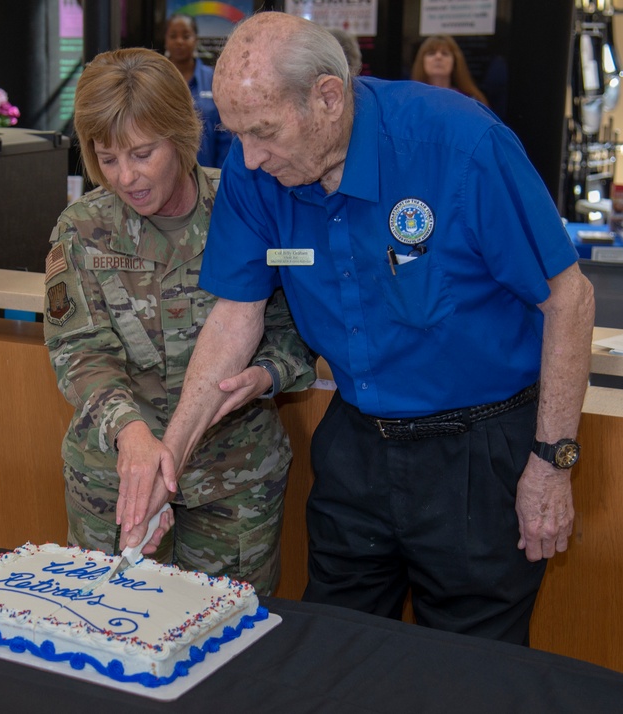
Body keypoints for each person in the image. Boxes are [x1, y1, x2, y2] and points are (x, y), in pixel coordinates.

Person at [121, 13, 595, 646]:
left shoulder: (459, 145)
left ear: (327, 96)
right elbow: (236, 315)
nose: (251, 159)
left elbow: (570, 299)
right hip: (357, 446)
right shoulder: (255, 171)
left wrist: (552, 462)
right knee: (334, 652)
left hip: (477, 454)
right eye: (237, 136)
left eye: (263, 132)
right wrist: (168, 462)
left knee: (470, 667)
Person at [43, 47, 315, 594]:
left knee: (228, 640)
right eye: (109, 157)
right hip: (119, 484)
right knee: (109, 632)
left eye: (143, 154)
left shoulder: (249, 209)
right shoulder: (83, 230)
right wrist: (133, 436)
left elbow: (295, 329)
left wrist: (267, 376)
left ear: (182, 135)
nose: (127, 177)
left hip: (232, 480)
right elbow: (80, 352)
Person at [164, 14, 232, 169]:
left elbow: (226, 134)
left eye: (186, 36)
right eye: (173, 36)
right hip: (165, 176)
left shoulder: (213, 80)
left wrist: (221, 176)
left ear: (195, 39)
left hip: (210, 175)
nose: (179, 41)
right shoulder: (155, 80)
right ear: (166, 40)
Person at [411, 34, 488, 105]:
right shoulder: (411, 99)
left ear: (455, 62)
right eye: (431, 53)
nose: (438, 57)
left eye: (445, 53)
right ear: (422, 61)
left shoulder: (470, 101)